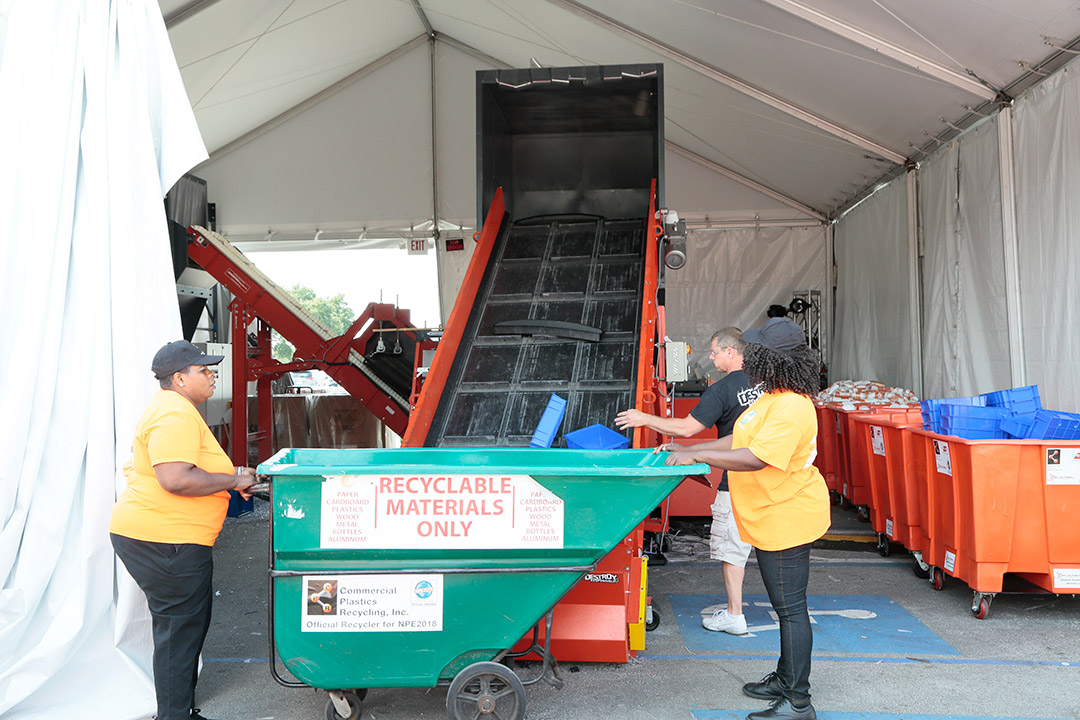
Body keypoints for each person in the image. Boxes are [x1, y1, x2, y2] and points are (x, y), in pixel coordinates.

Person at [661, 317, 830, 720]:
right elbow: (740, 439)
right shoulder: (773, 397)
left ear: (771, 359)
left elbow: (755, 458)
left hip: (787, 516)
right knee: (784, 604)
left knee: (790, 609)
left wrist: (699, 456)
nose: (748, 357)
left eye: (756, 352)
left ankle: (798, 701)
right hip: (769, 513)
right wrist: (691, 445)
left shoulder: (792, 406)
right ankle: (785, 678)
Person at [110, 340, 257, 720]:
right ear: (179, 378)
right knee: (179, 633)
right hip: (166, 540)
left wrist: (230, 480)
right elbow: (174, 478)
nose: (212, 375)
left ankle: (177, 712)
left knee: (182, 629)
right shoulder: (174, 414)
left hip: (164, 536)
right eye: (204, 370)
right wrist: (234, 477)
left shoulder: (173, 409)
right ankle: (175, 716)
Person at [615, 327, 761, 635]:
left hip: (738, 483)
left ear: (731, 352)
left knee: (732, 550)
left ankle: (735, 614)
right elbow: (745, 437)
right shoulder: (768, 385)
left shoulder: (722, 390)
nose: (711, 357)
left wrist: (645, 418)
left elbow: (685, 428)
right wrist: (693, 451)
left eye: (714, 352)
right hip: (774, 480)